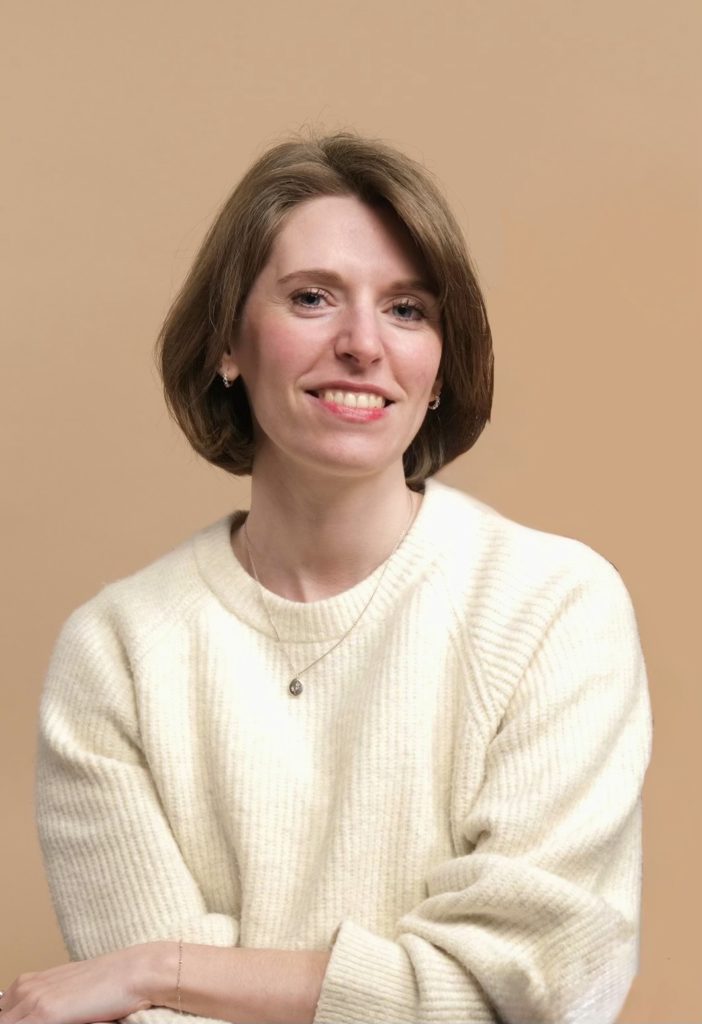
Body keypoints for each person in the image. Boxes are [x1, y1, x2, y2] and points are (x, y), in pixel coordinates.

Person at [1, 131, 653, 1024]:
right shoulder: (115, 654)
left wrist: (161, 968)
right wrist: (174, 988)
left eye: (407, 310)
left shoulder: (553, 608)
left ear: (439, 370)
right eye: (312, 297)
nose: (362, 344)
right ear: (228, 344)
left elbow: (528, 988)